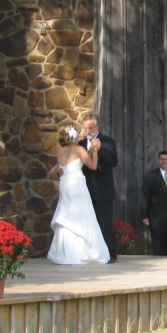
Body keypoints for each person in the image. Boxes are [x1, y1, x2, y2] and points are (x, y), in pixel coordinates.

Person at [48, 125, 110, 264]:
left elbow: (60, 169)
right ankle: (83, 251)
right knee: (82, 214)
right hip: (76, 185)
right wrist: (94, 149)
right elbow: (93, 165)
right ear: (73, 136)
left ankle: (66, 252)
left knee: (67, 214)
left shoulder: (60, 150)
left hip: (65, 184)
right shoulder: (79, 149)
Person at [78, 113, 118, 262]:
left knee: (104, 222)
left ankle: (111, 253)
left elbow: (113, 161)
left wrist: (99, 149)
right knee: (86, 223)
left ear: (98, 127)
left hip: (103, 190)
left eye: (91, 128)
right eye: (85, 128)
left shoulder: (108, 142)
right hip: (84, 189)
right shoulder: (80, 144)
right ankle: (90, 254)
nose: (88, 131)